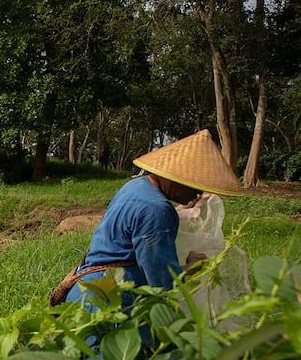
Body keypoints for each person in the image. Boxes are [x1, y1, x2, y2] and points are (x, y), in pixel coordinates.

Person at [53, 130, 243, 347]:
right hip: (112, 302)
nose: (198, 193)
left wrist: (177, 211)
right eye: (194, 184)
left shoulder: (136, 186)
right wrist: (191, 269)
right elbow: (162, 283)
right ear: (174, 177)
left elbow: (138, 226)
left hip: (89, 291)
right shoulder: (157, 209)